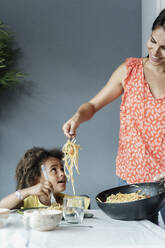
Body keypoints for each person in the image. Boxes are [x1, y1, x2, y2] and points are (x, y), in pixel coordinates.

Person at [63, 9, 165, 223]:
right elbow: (92, 105)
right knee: (135, 241)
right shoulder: (129, 71)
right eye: (153, 40)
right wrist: (77, 117)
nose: (155, 51)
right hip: (132, 180)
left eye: (164, 47)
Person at [0, 147, 90, 210]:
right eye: (54, 169)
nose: (62, 173)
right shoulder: (28, 202)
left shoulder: (73, 202)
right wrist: (27, 191)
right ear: (36, 179)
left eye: (62, 169)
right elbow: (1, 207)